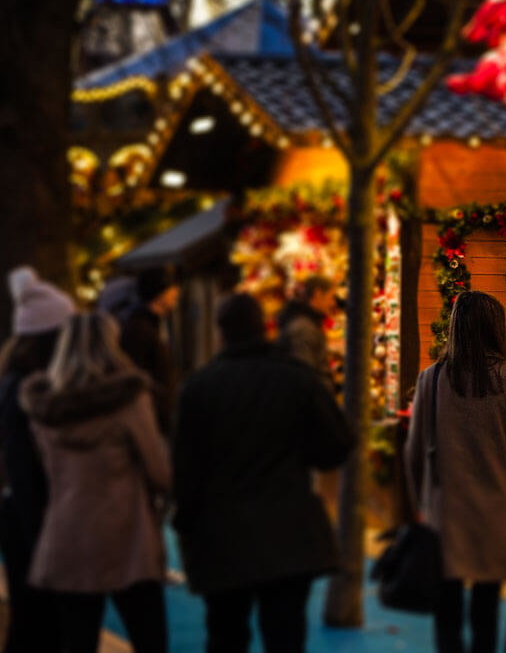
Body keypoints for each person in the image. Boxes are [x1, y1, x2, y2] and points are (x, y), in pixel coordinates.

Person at [174, 294, 354, 653]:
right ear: (265, 327)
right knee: (285, 636)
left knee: (226, 635)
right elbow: (337, 445)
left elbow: (184, 472)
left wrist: (188, 528)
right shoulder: (296, 379)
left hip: (222, 534)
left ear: (221, 332)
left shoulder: (199, 388)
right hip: (288, 531)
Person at [405, 291, 506, 653]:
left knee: (447, 608)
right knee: (486, 609)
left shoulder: (432, 379)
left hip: (444, 511)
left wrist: (418, 504)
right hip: (495, 511)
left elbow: (414, 452)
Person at [20, 312, 171, 653]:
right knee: (150, 637)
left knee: (78, 640)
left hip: (67, 536)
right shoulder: (129, 398)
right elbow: (159, 471)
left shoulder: (44, 408)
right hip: (127, 536)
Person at [0, 267, 75, 651]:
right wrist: (42, 535)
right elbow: (23, 468)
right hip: (33, 523)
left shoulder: (17, 382)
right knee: (37, 624)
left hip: (27, 520)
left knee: (34, 623)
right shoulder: (24, 391)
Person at [107, 267, 179, 436]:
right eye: (172, 288)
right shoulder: (139, 330)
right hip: (151, 421)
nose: (177, 291)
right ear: (161, 293)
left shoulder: (152, 325)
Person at [278, 275, 336, 377]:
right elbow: (304, 373)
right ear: (318, 294)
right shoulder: (303, 329)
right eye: (331, 297)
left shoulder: (306, 323)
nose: (333, 303)